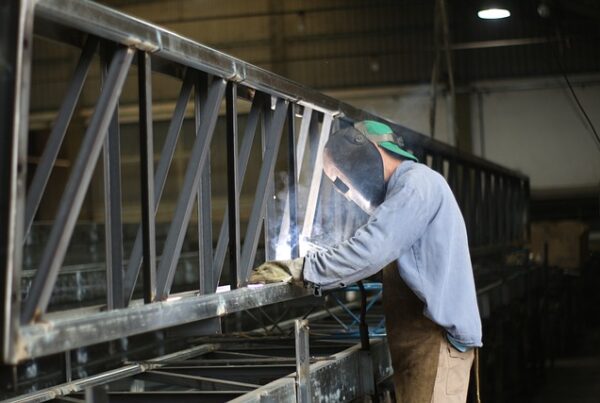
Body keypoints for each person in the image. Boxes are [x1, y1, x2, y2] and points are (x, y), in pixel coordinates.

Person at [250, 120, 482, 403]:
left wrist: (303, 268)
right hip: (423, 341)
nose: (344, 191)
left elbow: (370, 250)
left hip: (435, 342)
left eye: (340, 179)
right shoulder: (407, 191)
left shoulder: (416, 183)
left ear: (364, 155)